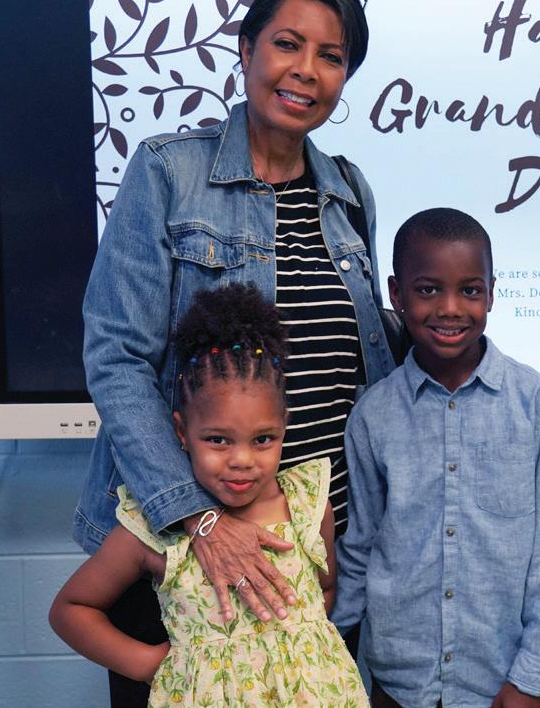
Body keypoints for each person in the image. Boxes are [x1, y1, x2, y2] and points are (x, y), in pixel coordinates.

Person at [75, 0, 396, 705]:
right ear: (246, 49)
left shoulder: (350, 191)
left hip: (306, 556)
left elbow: (367, 360)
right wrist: (200, 519)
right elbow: (116, 358)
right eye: (287, 43)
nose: (306, 69)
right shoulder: (168, 172)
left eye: (331, 55)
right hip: (186, 546)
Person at [51, 284, 368, 707]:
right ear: (182, 433)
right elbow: (70, 609)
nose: (242, 460)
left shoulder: (310, 507)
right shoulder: (153, 531)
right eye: (218, 440)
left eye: (263, 439)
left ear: (284, 428)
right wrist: (147, 664)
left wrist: (298, 641)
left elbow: (326, 590)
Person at [332, 208, 540, 708]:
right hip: (399, 683)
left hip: (504, 683)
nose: (450, 308)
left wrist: (534, 676)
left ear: (491, 293)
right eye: (428, 290)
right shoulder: (373, 415)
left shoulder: (538, 406)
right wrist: (322, 651)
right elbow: (360, 549)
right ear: (396, 294)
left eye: (469, 290)